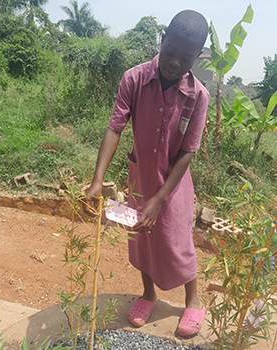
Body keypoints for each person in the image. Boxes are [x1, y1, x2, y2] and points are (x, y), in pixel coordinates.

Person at [82, 9, 210, 337]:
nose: (175, 63)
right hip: (140, 180)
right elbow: (115, 127)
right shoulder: (134, 79)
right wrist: (98, 181)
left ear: (197, 57)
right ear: (162, 39)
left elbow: (187, 152)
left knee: (177, 242)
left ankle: (193, 300)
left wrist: (161, 198)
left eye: (186, 58)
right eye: (170, 52)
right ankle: (148, 294)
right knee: (141, 239)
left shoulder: (198, 96)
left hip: (173, 186)